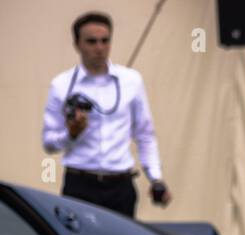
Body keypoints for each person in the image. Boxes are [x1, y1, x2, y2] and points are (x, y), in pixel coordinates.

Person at [41, 11, 172, 219]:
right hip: (80, 184)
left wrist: (156, 179)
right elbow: (48, 143)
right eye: (91, 42)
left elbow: (145, 134)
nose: (99, 48)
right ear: (77, 44)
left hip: (120, 186)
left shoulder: (131, 81)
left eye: (105, 41)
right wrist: (71, 135)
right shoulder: (62, 85)